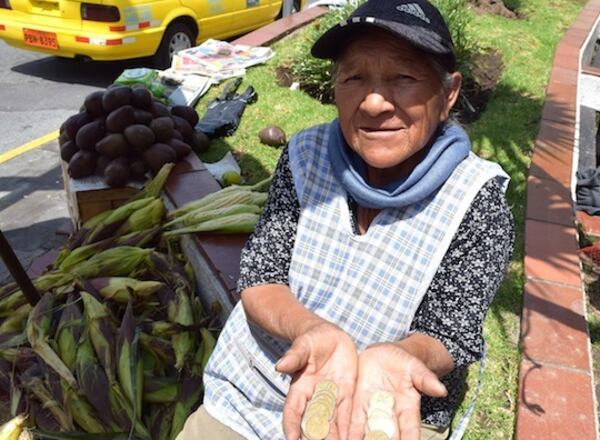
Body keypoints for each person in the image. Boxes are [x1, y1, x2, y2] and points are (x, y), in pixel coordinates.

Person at [176, 1, 514, 439]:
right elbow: (262, 277)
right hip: (257, 386)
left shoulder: (476, 201)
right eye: (354, 77)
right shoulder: (304, 156)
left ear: (448, 94)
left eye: (404, 78)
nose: (373, 103)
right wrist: (311, 331)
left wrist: (393, 356)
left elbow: (450, 333)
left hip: (386, 403)